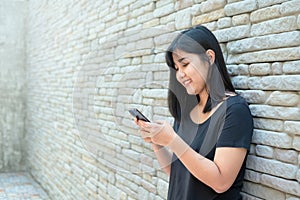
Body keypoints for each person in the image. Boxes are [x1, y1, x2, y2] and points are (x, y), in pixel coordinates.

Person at [134, 25, 253, 200]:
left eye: (185, 64)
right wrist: (157, 141)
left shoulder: (234, 111)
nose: (180, 74)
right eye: (176, 68)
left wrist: (173, 141)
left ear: (209, 57)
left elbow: (221, 182)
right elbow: (179, 173)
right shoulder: (186, 113)